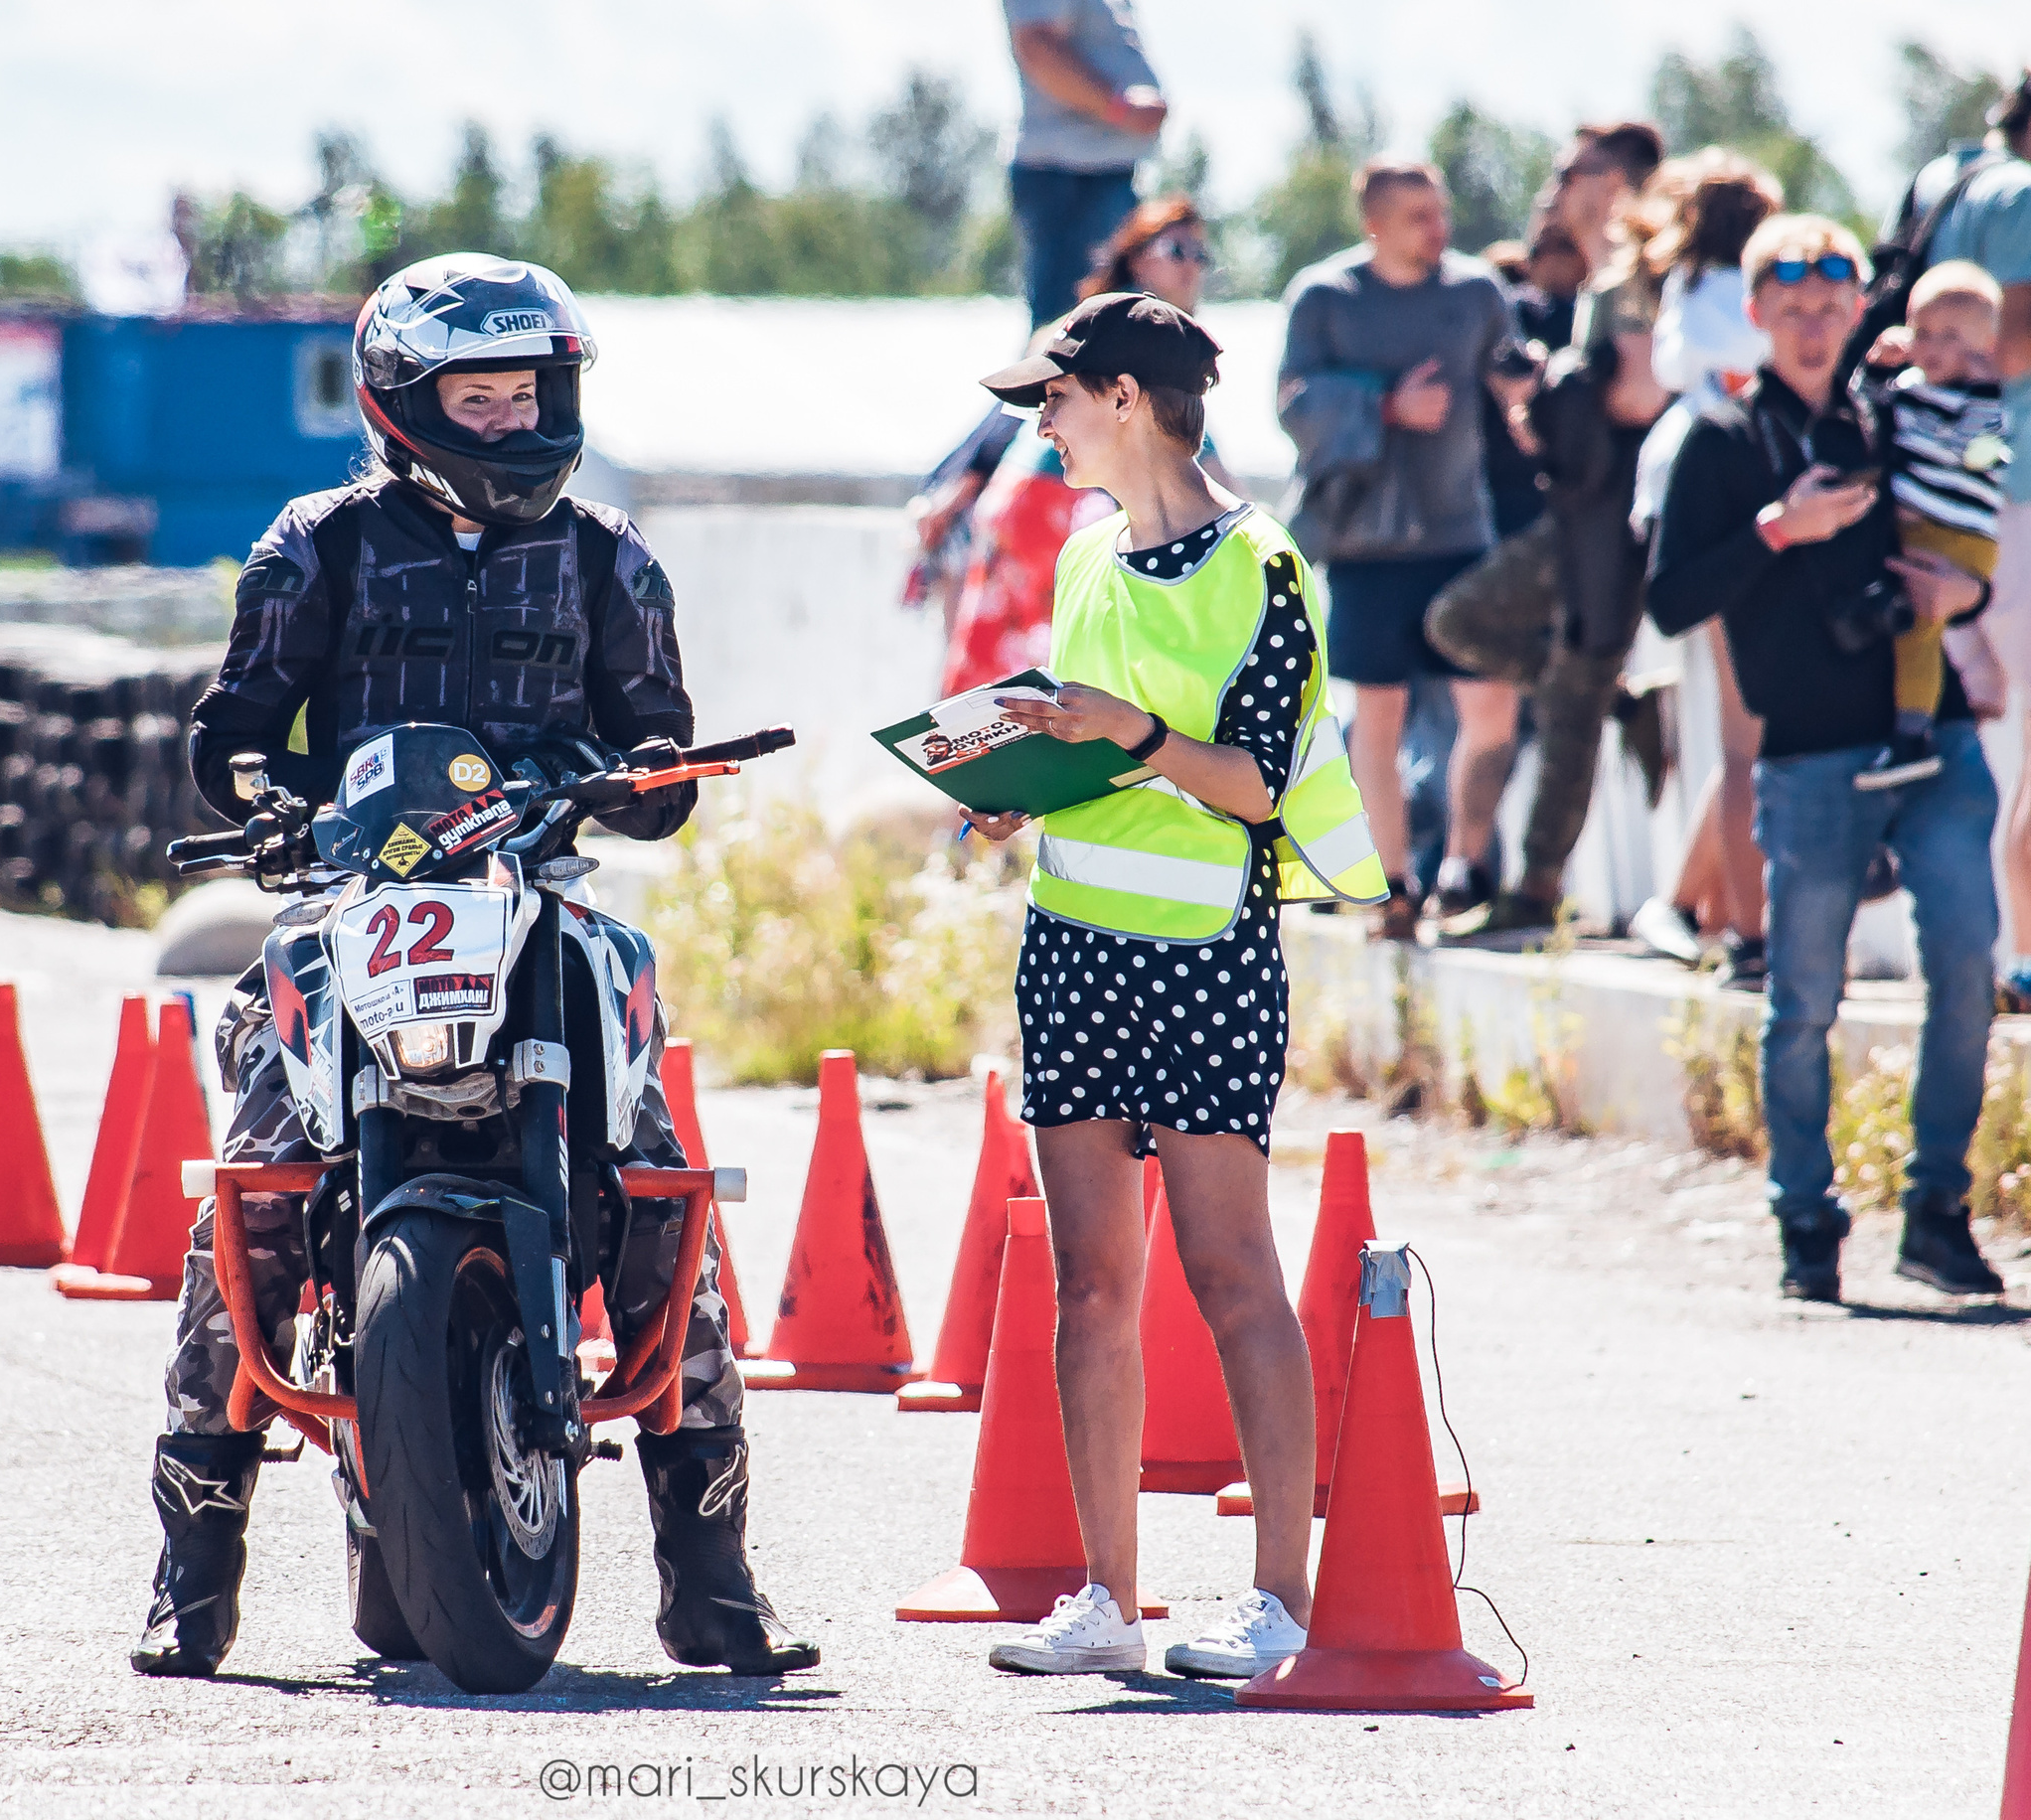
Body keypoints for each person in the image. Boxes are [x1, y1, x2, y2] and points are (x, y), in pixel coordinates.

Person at [135, 253, 816, 1681]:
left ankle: (713, 1577)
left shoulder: (609, 556)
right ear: (402, 403)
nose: (511, 420)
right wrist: (262, 794)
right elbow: (234, 724)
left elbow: (662, 749)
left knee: (657, 1186)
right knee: (248, 1195)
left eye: (530, 394)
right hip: (348, 899)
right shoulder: (311, 544)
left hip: (545, 897)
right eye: (480, 397)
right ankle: (195, 1571)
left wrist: (638, 776)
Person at [961, 292, 1387, 1678]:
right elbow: (1084, 736)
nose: (1044, 428)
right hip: (1073, 944)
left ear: (1128, 398)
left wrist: (1129, 732)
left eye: (1057, 401)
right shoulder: (1086, 560)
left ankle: (1277, 1601)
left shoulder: (1265, 569)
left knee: (1230, 1274)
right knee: (1090, 1281)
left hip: (1207, 953)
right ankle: (1107, 1601)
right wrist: (1018, 786)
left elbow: (1259, 786)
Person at [1646, 216, 2004, 1303]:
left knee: (1967, 970)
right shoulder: (1719, 439)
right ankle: (1806, 1218)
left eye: (1829, 306)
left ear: (1858, 311)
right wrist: (1772, 532)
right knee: (1802, 998)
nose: (1810, 325)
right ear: (1753, 316)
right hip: (1806, 758)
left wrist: (1969, 595)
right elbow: (1666, 600)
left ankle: (1935, 1208)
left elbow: (1970, 504)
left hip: (1931, 733)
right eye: (1789, 308)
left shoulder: (1892, 411)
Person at [1439, 121, 1673, 939]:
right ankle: (1605, 698)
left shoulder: (1635, 275)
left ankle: (1534, 892)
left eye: (1581, 170)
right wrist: (1541, 399)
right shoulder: (1604, 276)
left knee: (1569, 706)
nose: (1561, 184)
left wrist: (1559, 388)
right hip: (1579, 510)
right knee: (1458, 624)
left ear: (1622, 186)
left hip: (1618, 519)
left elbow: (1640, 396)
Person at [1277, 159, 1517, 941]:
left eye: (1440, 211)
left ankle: (1463, 868)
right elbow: (1292, 404)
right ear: (1373, 221)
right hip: (1365, 543)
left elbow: (1510, 374)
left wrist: (1528, 387)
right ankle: (1390, 887)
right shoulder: (1325, 298)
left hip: (1462, 536)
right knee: (1374, 721)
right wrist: (1386, 405)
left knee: (1490, 707)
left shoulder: (1476, 292)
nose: (1437, 227)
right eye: (1417, 214)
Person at [940, 194, 1226, 696]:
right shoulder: (1136, 334)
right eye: (1178, 250)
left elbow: (1007, 425)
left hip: (1017, 504)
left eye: (1202, 255)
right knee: (1053, 692)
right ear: (1138, 256)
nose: (1193, 268)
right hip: (1055, 512)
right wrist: (1250, 523)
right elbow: (1191, 448)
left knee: (995, 690)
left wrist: (956, 493)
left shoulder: (1080, 324)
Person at [1625, 154, 1783, 976]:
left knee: (1735, 738)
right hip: (1733, 504)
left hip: (1686, 503)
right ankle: (1719, 920)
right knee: (1746, 738)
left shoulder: (1685, 292)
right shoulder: (1736, 299)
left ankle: (1702, 907)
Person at [1896, 74, 2031, 1001]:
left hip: (1968, 494)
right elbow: (2012, 346)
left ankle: (2008, 957)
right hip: (2014, 487)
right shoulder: (2019, 193)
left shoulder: (1950, 177)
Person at [1864, 262, 2013, 790]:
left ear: (1984, 344)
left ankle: (1913, 734)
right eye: (1923, 332)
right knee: (1917, 626)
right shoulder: (1911, 385)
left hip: (1956, 537)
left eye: (1952, 337)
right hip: (1921, 529)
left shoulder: (1981, 402)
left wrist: (1977, 390)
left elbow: (1975, 454)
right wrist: (1878, 366)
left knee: (1921, 630)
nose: (1933, 346)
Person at [1002, 0, 1167, 328]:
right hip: (1069, 175)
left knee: (1105, 329)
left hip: (1093, 173)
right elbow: (1036, 44)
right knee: (1067, 333)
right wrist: (1120, 108)